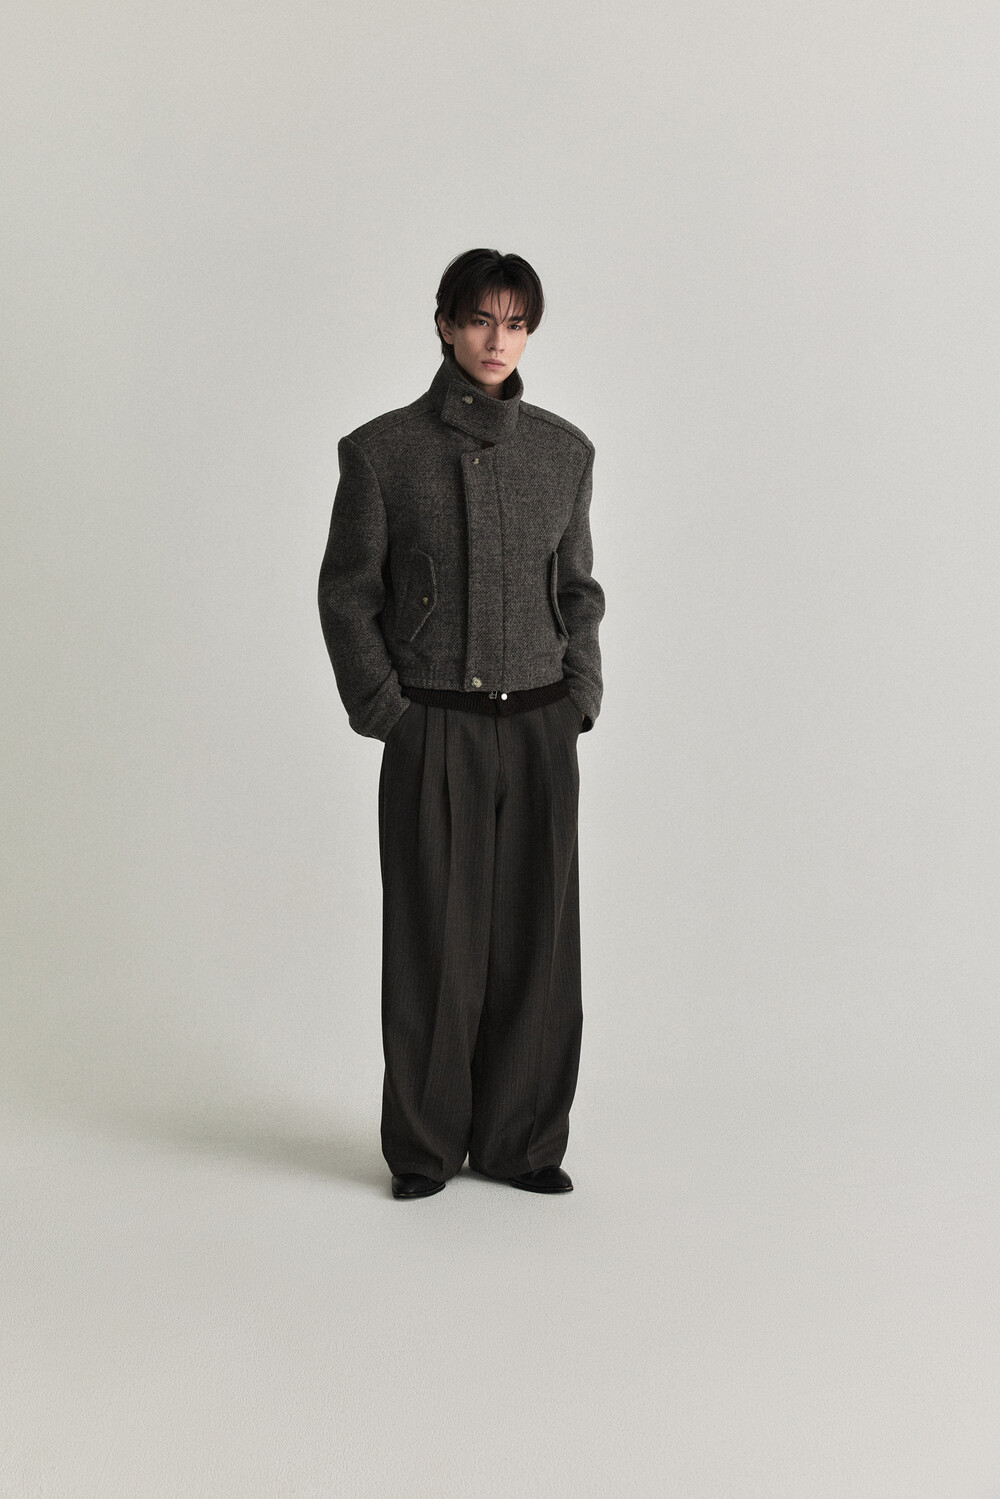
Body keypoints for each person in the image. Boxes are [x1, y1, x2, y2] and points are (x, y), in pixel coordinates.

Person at [318, 248, 605, 1199]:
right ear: (444, 324)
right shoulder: (382, 452)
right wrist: (386, 710)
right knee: (432, 942)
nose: (497, 340)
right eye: (481, 319)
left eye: (515, 323)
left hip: (540, 725)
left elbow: (579, 589)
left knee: (538, 940)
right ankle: (426, 1147)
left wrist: (580, 692)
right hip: (432, 724)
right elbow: (347, 594)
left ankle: (523, 1142)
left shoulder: (564, 453)